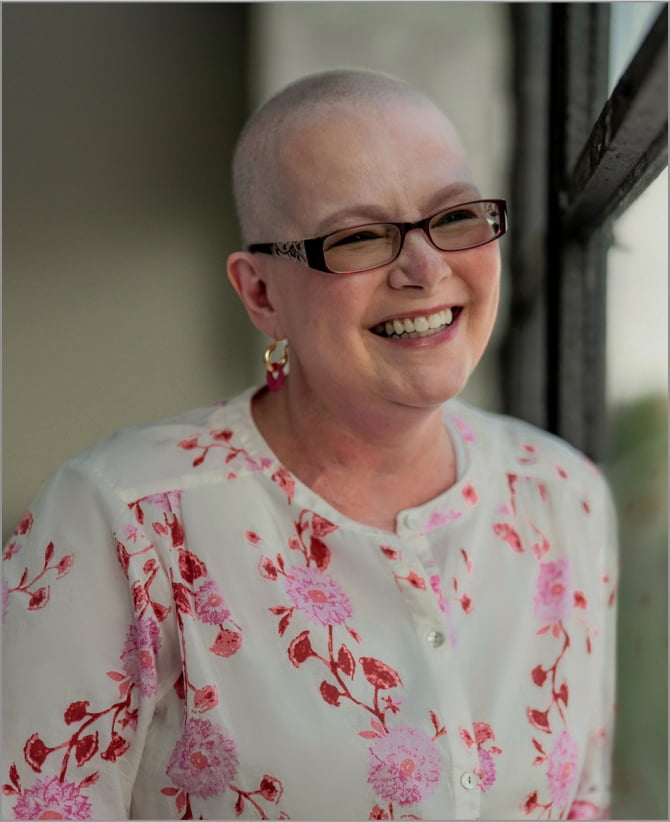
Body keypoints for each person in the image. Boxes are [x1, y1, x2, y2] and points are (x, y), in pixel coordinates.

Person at [2, 69, 617, 821]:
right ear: (260, 293)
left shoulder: (566, 494)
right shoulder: (121, 521)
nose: (426, 269)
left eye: (454, 216)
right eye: (357, 236)